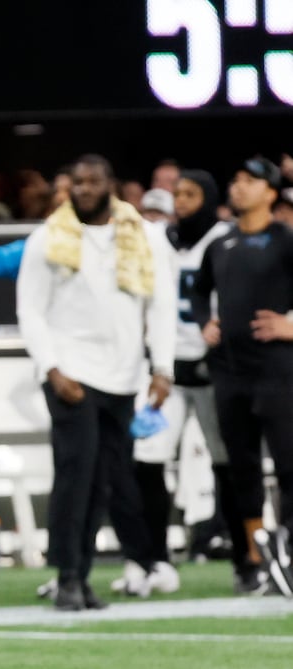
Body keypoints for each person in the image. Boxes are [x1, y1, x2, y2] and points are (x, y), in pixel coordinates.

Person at [17, 154, 176, 611]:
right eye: (77, 183)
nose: (84, 189)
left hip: (124, 376)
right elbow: (31, 310)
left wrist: (162, 369)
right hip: (72, 374)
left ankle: (84, 577)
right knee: (75, 477)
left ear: (112, 184)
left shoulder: (147, 236)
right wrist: (51, 368)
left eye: (93, 181)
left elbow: (161, 306)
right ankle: (67, 576)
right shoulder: (48, 238)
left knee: (106, 482)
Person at [116, 169, 233, 597]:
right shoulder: (154, 240)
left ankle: (242, 556)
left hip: (214, 366)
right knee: (147, 460)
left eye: (189, 194)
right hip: (165, 369)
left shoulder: (225, 238)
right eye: (176, 193)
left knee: (227, 463)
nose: (180, 201)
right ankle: (154, 557)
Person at [196, 156, 293, 593]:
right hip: (229, 371)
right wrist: (205, 322)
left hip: (277, 368)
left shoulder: (285, 240)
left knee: (289, 465)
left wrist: (291, 325)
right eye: (234, 179)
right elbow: (199, 292)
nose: (237, 188)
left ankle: (287, 551)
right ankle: (252, 557)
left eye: (249, 181)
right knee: (241, 468)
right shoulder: (221, 244)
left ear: (271, 192)